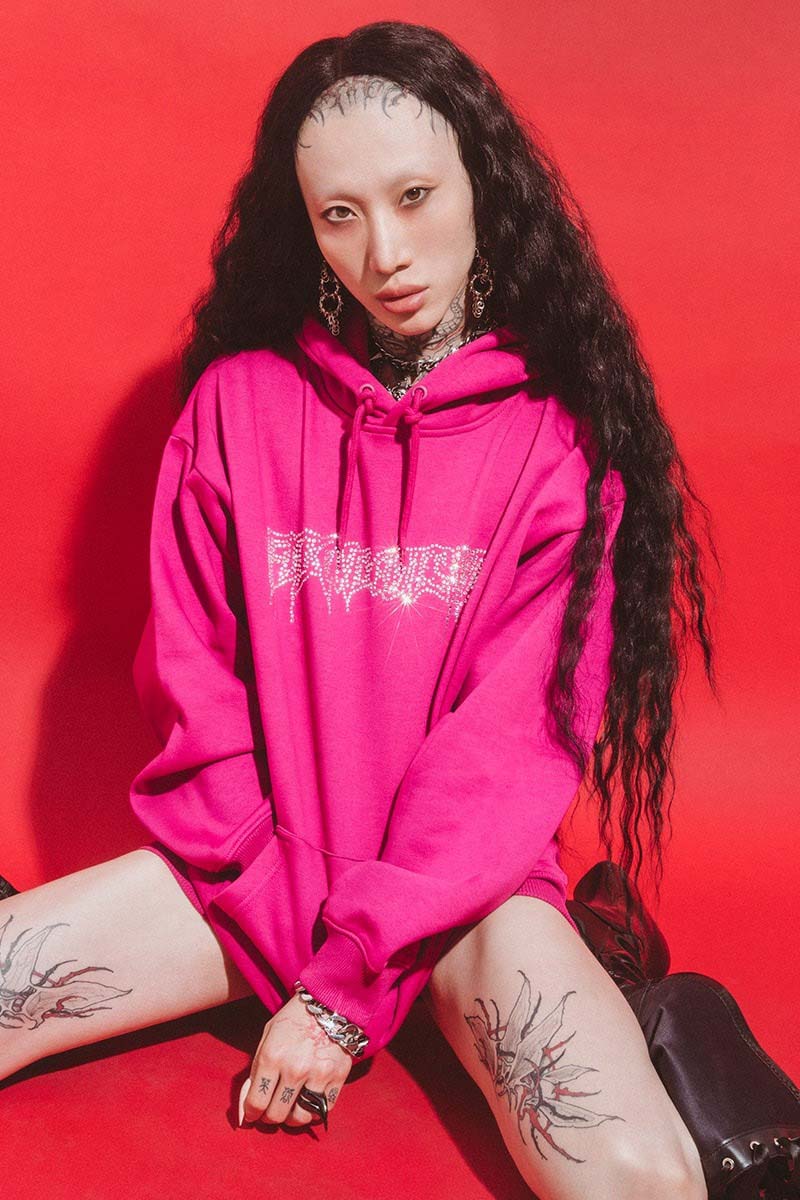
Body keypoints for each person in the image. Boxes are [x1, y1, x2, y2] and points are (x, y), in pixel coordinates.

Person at [0, 21, 721, 1199]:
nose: (384, 251)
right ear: (306, 226)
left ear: (480, 186)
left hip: (461, 904)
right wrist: (293, 919)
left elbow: (506, 752)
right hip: (244, 877)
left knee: (641, 1174)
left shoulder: (558, 444)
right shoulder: (237, 406)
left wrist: (345, 988)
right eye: (341, 214)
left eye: (414, 196)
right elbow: (193, 685)